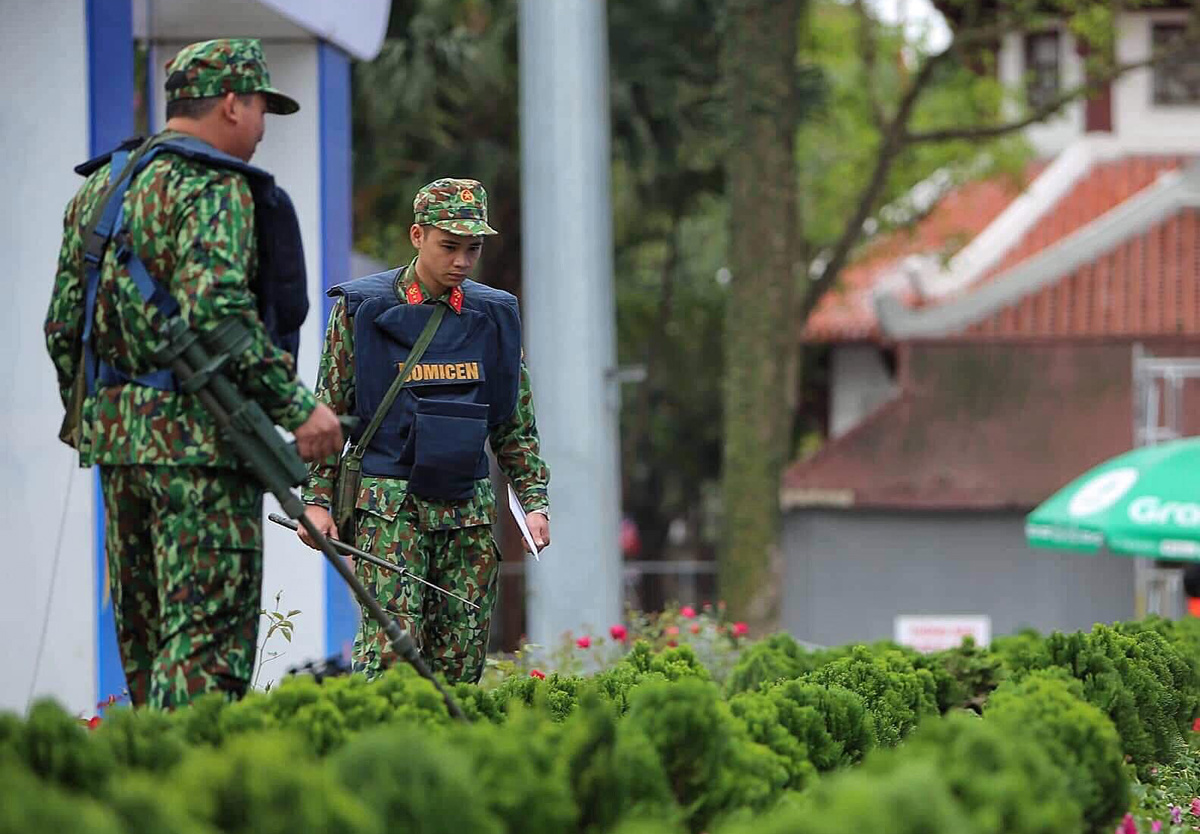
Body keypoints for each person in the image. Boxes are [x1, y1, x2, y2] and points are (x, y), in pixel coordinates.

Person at [43, 39, 342, 709]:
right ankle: (195, 798)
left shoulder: (103, 188)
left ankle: (146, 793)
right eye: (263, 107)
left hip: (120, 451)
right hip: (202, 452)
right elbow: (219, 314)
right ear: (232, 103)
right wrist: (296, 408)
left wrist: (106, 421)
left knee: (147, 643)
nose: (264, 126)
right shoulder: (212, 186)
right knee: (206, 646)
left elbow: (64, 326)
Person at [297, 179, 550, 684]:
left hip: (467, 511)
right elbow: (331, 411)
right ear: (417, 235)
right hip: (389, 509)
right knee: (392, 654)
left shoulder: (495, 315)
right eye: (449, 246)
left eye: (472, 248)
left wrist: (534, 502)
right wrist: (317, 502)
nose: (461, 261)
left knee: (461, 657)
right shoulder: (360, 310)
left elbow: (513, 421)